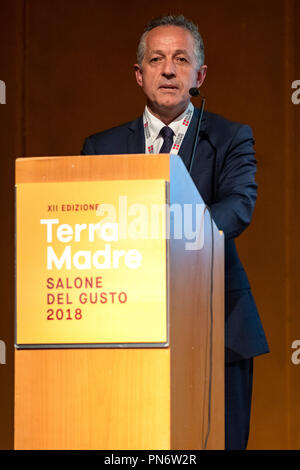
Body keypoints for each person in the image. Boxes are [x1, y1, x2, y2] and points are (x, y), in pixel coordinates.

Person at [81, 14, 269, 450]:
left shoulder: (229, 137)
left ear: (199, 75)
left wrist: (165, 234)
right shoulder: (101, 147)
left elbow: (238, 208)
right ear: (139, 74)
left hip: (218, 330)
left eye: (181, 60)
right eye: (157, 59)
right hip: (126, 330)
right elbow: (92, 228)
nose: (168, 69)